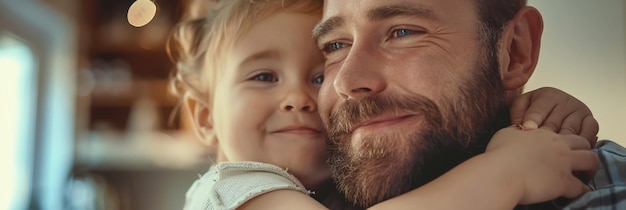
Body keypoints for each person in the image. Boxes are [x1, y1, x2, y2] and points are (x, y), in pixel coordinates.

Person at [167, 0, 601, 209]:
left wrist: (530, 114)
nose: (301, 98)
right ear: (204, 117)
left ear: (516, 52)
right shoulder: (234, 190)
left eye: (318, 75)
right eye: (336, 45)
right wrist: (506, 173)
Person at [313, 0, 626, 209]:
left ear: (516, 51)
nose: (346, 82)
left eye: (403, 32)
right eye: (335, 46)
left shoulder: (605, 194)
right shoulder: (292, 187)